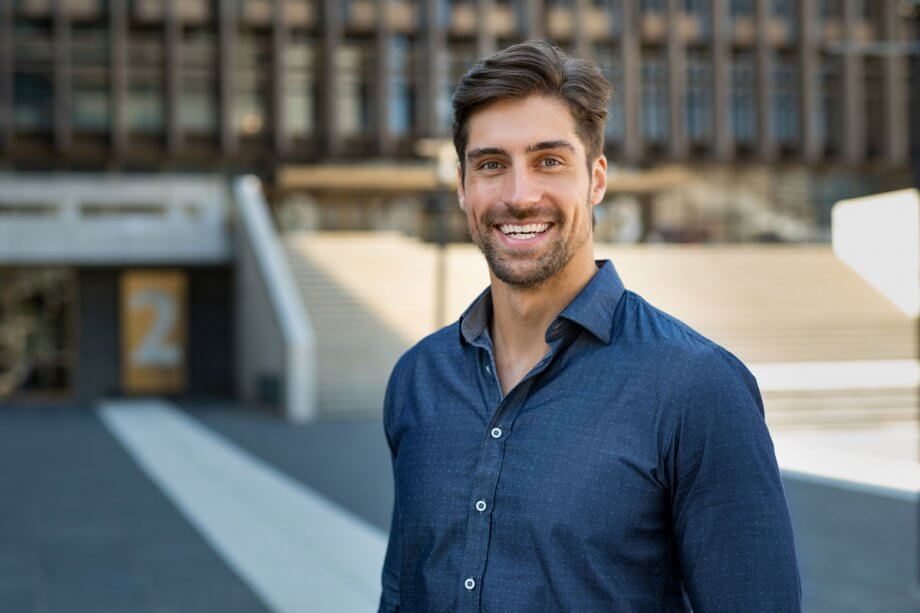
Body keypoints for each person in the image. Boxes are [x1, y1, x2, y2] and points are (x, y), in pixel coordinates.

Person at [378, 40, 801, 612]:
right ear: (462, 186)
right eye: (491, 165)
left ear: (596, 179)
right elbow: (403, 595)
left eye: (549, 161)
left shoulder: (698, 387)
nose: (520, 195)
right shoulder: (417, 379)